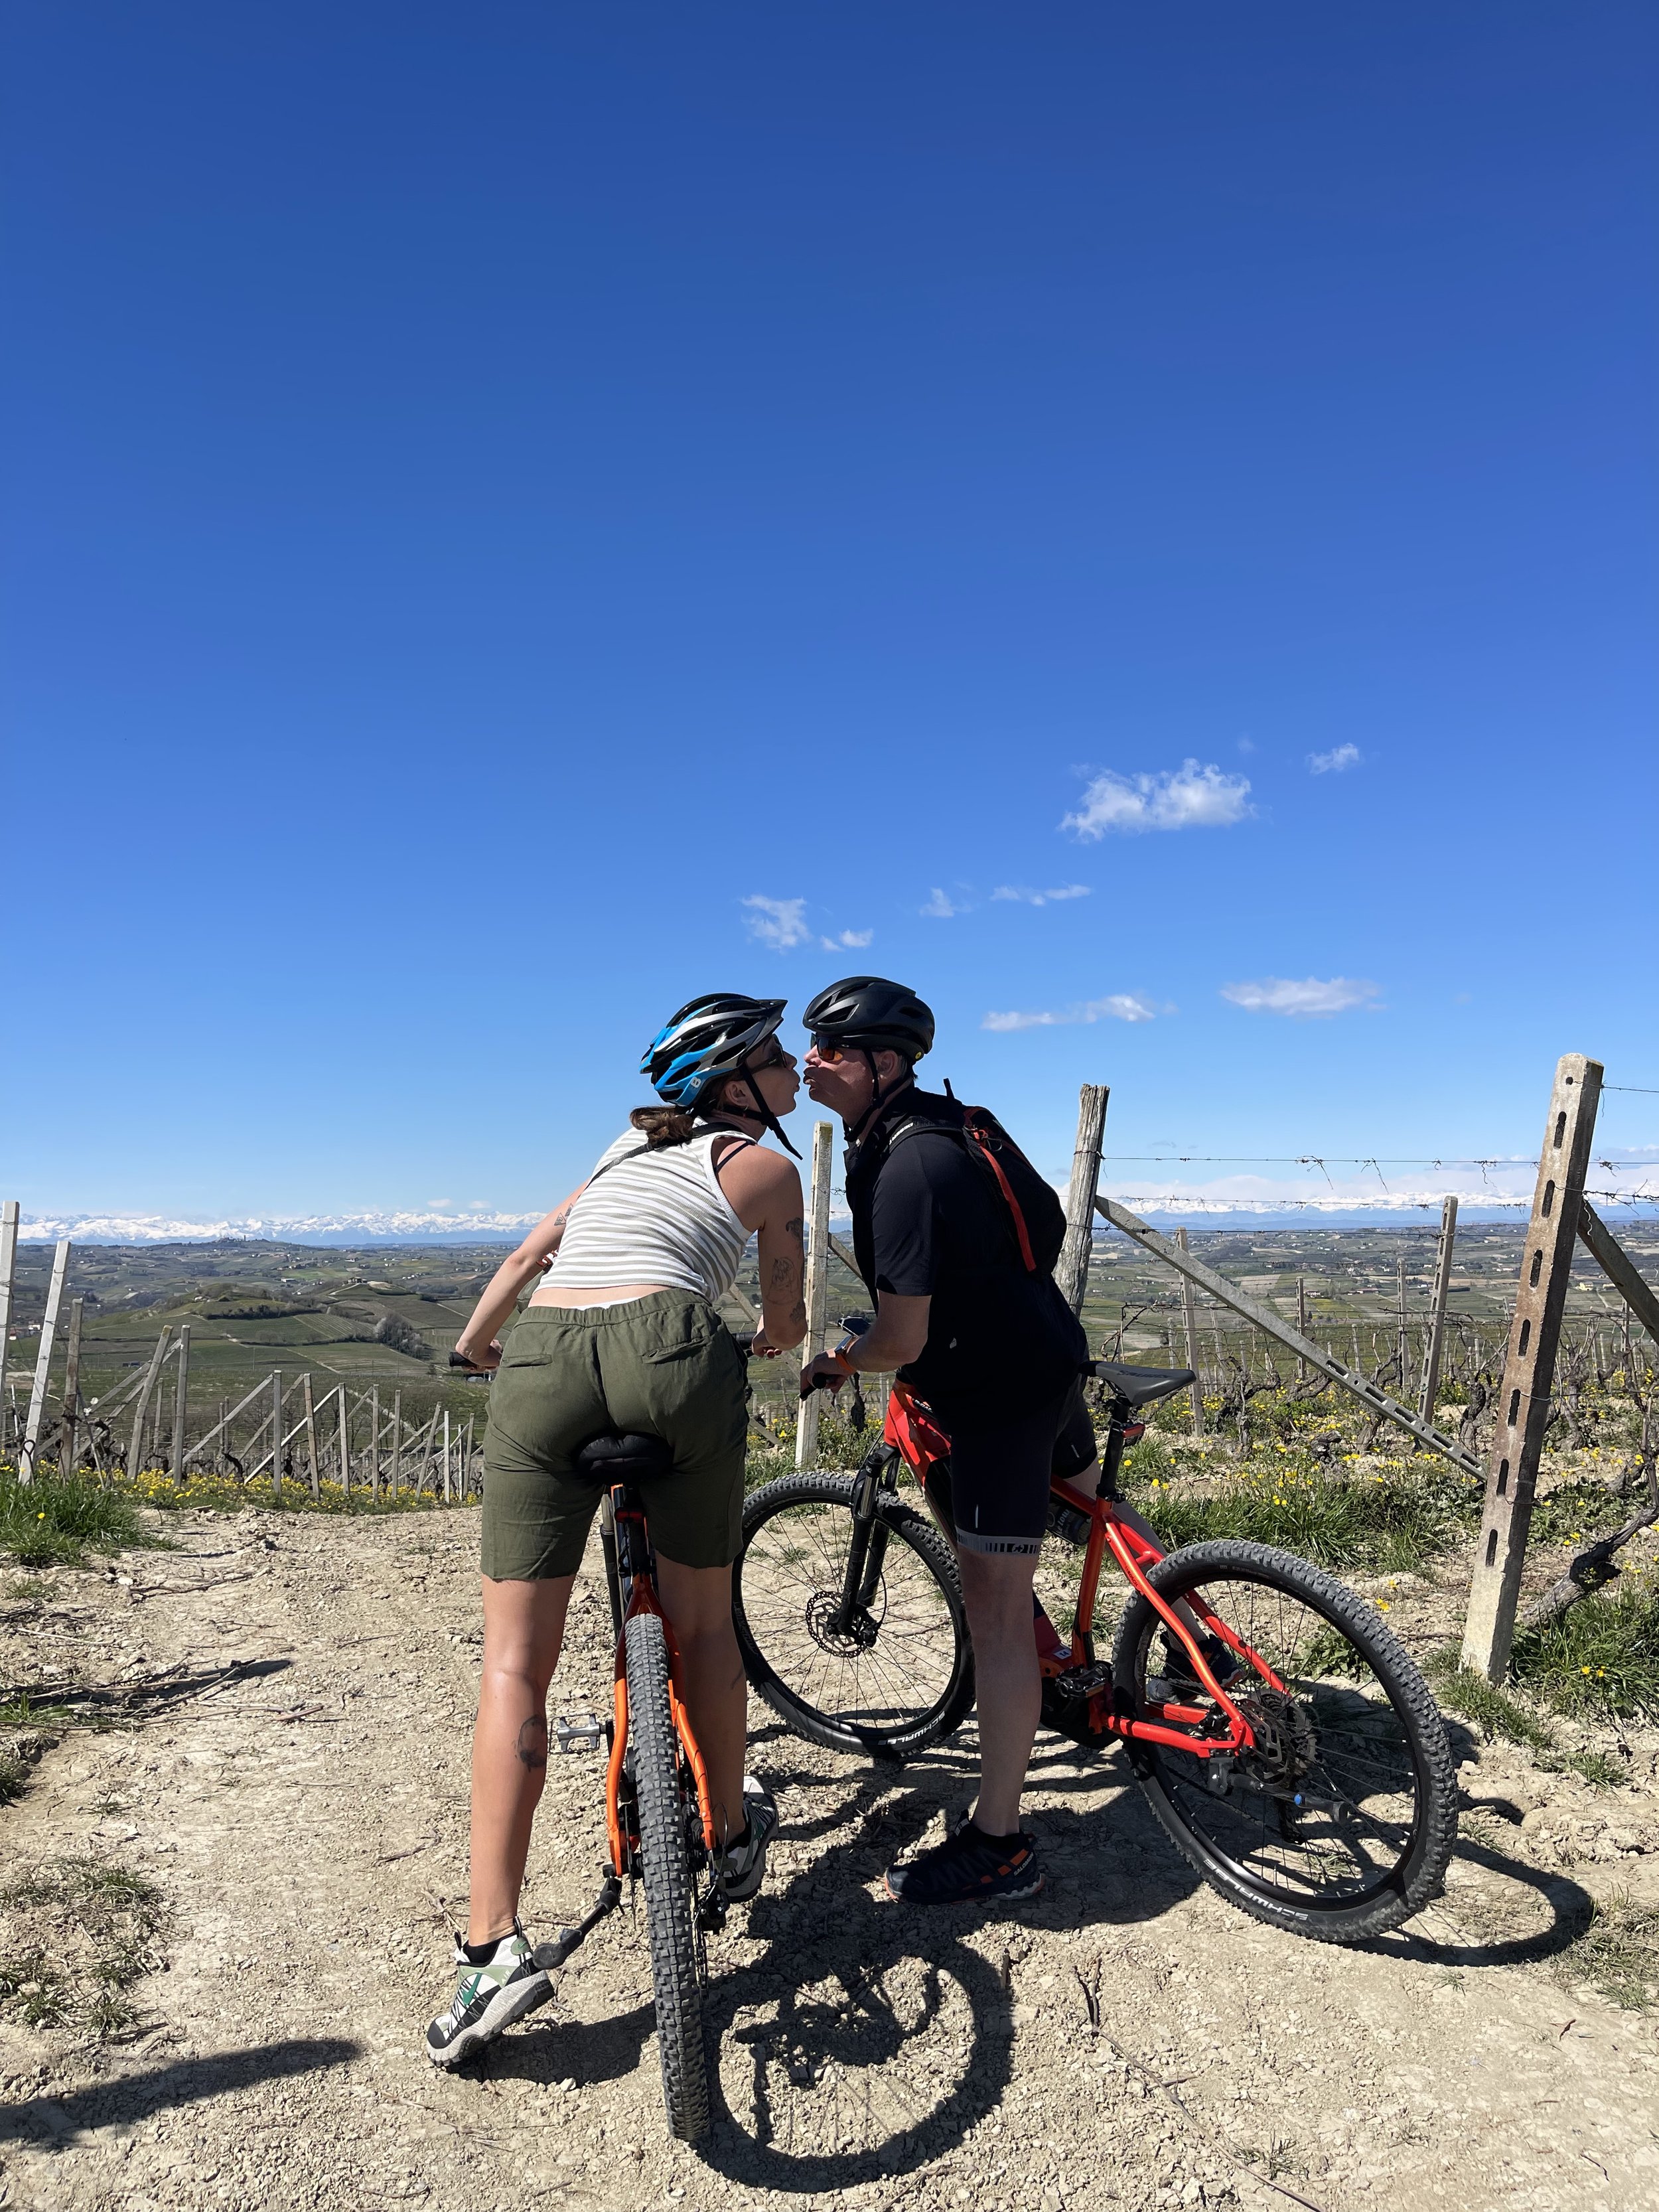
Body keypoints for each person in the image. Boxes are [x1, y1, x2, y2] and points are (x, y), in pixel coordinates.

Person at [426, 993, 807, 2065]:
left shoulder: (614, 1155)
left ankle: (489, 1944)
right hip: (672, 1347)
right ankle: (728, 1835)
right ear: (736, 1082)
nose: (791, 1074)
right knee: (702, 1627)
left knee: (514, 1663)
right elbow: (786, 1322)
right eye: (776, 1059)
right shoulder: (768, 1170)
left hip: (542, 1351)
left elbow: (519, 1265)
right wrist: (770, 1343)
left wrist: (481, 1353)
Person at [799, 976, 1094, 1907]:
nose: (810, 1059)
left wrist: (845, 1362)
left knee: (997, 1617)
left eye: (831, 1048)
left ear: (885, 1063)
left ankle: (999, 1840)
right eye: (810, 1045)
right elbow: (1036, 1232)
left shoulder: (904, 1170)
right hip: (1048, 1350)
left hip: (994, 1395)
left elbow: (903, 1342)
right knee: (1096, 1522)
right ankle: (1170, 1632)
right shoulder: (960, 1123)